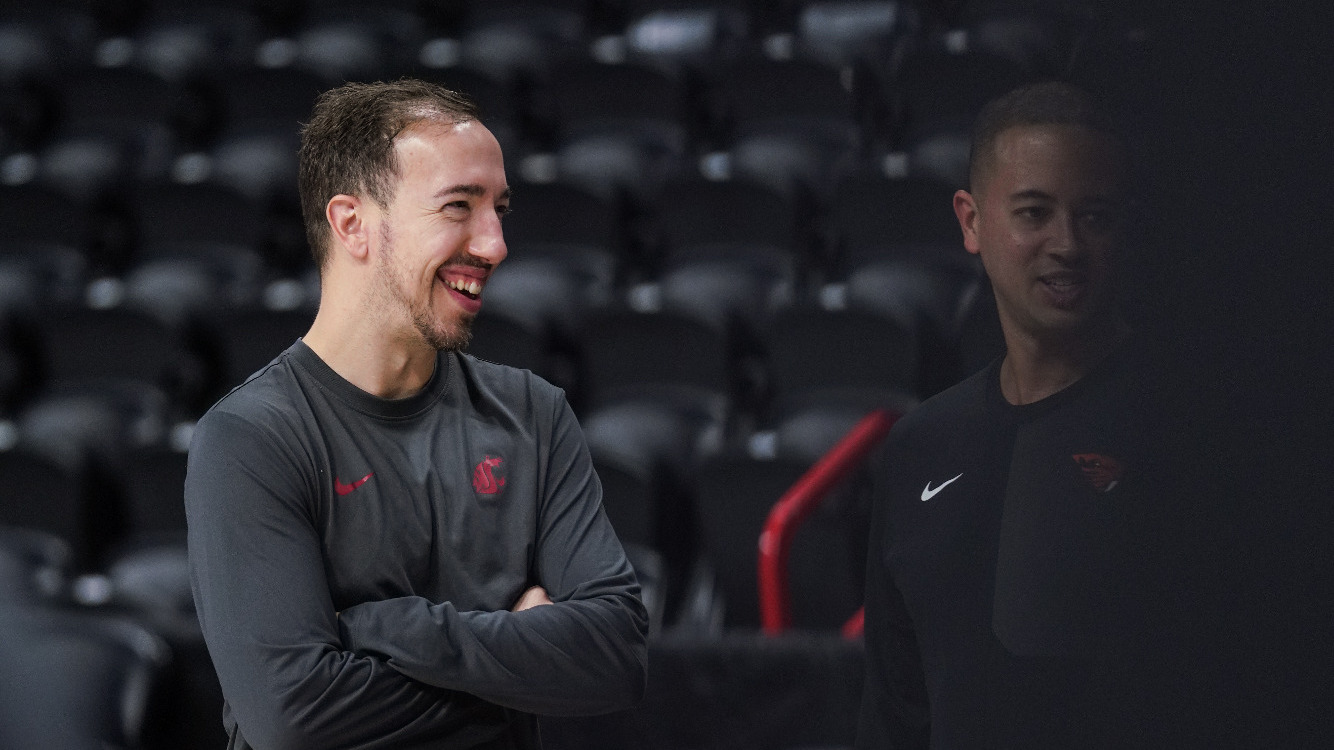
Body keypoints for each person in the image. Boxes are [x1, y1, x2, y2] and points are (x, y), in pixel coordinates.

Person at [185, 80, 649, 750]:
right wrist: (514, 670)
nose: (494, 245)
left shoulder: (534, 412)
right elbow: (293, 720)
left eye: (498, 210)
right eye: (458, 207)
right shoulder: (252, 438)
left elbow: (615, 655)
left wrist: (383, 629)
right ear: (352, 224)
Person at [856, 82, 1229, 748]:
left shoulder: (1198, 430)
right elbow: (894, 710)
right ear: (971, 222)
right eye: (1034, 213)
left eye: (1095, 216)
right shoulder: (920, 446)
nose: (1067, 244)